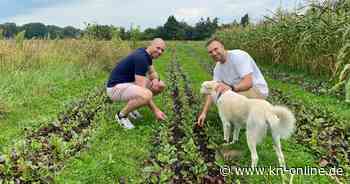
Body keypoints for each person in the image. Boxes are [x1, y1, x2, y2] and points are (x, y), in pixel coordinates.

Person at [197, 37, 268, 127]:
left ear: (223, 46)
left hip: (257, 90)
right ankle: (240, 118)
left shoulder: (238, 56)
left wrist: (231, 88)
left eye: (216, 49)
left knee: (227, 100)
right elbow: (212, 90)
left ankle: (257, 119)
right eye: (210, 52)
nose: (214, 53)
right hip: (239, 91)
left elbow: (248, 82)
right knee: (217, 97)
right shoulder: (218, 68)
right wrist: (204, 113)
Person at [106, 38, 167, 129]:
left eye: (162, 50)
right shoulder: (141, 58)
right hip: (115, 88)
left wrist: (155, 80)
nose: (160, 52)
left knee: (160, 85)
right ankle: (121, 116)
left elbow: (152, 72)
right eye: (158, 48)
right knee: (146, 94)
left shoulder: (146, 53)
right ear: (151, 45)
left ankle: (132, 108)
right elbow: (143, 90)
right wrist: (156, 111)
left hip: (128, 84)